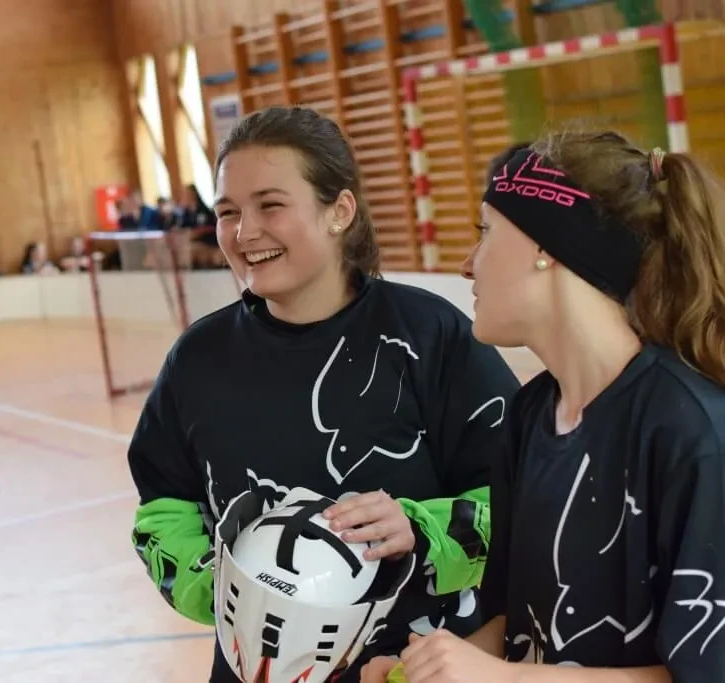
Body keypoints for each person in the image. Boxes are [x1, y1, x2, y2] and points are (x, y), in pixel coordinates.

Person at [126, 105, 521, 682]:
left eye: (270, 205)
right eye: (228, 212)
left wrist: (419, 531)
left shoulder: (430, 336)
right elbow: (161, 510)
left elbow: (519, 502)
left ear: (340, 211)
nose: (244, 232)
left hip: (415, 669)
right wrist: (219, 583)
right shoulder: (197, 360)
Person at [361, 129, 725, 682]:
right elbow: (517, 626)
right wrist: (425, 673)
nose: (467, 264)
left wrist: (501, 679)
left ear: (545, 247)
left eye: (485, 232)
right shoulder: (530, 414)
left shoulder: (692, 433)